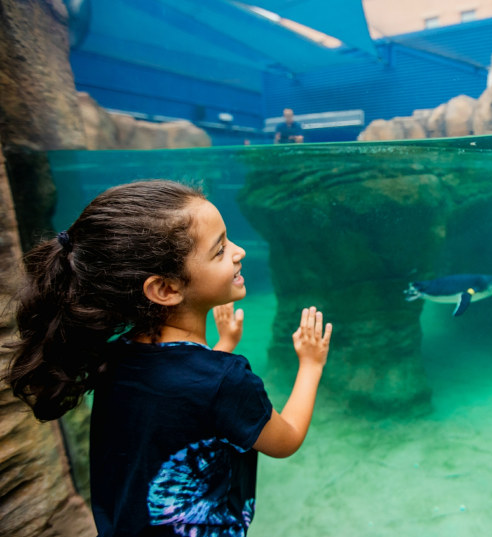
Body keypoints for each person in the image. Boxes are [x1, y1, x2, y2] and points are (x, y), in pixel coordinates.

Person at [3, 180, 332, 536]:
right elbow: (286, 441)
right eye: (219, 250)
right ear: (166, 288)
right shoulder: (226, 381)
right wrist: (311, 364)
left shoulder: (116, 356)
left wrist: (221, 347)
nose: (240, 252)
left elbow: (183, 398)